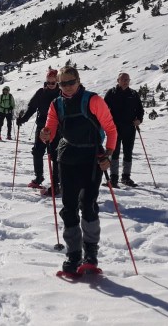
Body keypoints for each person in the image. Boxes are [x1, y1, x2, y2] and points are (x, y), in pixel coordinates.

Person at [39, 66, 117, 274]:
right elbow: (51, 129)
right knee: (69, 206)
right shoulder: (56, 104)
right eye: (63, 83)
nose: (67, 87)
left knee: (88, 205)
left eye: (70, 82)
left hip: (92, 158)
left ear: (79, 80)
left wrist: (108, 154)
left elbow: (110, 129)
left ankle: (90, 253)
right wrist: (45, 134)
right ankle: (73, 255)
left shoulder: (94, 101)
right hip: (67, 158)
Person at [17, 69, 61, 194]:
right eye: (48, 82)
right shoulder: (41, 92)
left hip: (57, 129)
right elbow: (32, 108)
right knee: (37, 152)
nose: (50, 85)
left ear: (57, 81)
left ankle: (56, 182)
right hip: (41, 127)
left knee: (55, 156)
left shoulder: (61, 93)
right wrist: (23, 119)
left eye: (53, 82)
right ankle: (39, 177)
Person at [104, 72, 144, 188]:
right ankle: (113, 178)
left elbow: (140, 110)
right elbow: (104, 110)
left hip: (130, 128)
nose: (126, 81)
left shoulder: (133, 94)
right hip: (114, 129)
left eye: (127, 79)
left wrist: (139, 120)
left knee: (128, 153)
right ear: (118, 81)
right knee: (114, 153)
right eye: (123, 79)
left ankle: (126, 177)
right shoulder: (111, 93)